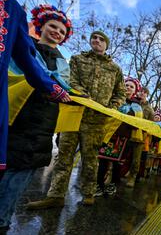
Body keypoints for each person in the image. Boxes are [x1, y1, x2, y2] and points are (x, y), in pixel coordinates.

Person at [25, 30, 126, 208]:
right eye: (94, 37)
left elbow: (121, 93)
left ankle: (88, 193)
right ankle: (56, 195)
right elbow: (70, 81)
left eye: (101, 39)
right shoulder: (78, 59)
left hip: (96, 120)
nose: (97, 40)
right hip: (74, 114)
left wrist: (111, 107)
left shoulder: (115, 69)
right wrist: (82, 95)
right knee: (64, 156)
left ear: (106, 45)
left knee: (90, 159)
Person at [0, 2, 72, 230]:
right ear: (40, 26)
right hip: (13, 112)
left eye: (62, 31)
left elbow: (62, 84)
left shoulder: (63, 62)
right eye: (53, 26)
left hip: (41, 121)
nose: (57, 32)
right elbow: (14, 70)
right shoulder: (21, 45)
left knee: (23, 168)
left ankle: (2, 219)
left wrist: (42, 74)